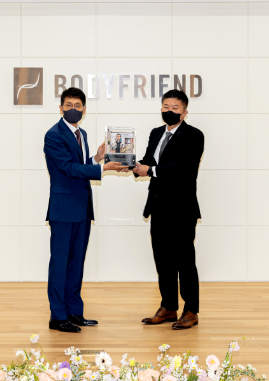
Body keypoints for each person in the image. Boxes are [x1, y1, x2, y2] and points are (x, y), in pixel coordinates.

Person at [44, 87, 124, 333]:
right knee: (60, 264)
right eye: (68, 105)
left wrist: (97, 158)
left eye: (77, 105)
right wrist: (103, 169)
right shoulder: (53, 135)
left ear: (84, 109)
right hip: (63, 208)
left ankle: (74, 312)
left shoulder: (82, 133)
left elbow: (80, 166)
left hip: (82, 207)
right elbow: (68, 168)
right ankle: (58, 316)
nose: (73, 109)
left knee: (76, 263)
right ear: (60, 108)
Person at [125, 89, 204, 330]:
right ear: (161, 108)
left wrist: (150, 171)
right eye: (166, 107)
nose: (170, 111)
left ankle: (191, 310)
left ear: (185, 112)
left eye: (175, 108)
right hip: (158, 205)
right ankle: (169, 307)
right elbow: (150, 161)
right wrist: (131, 163)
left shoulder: (194, 135)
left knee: (185, 262)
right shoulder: (156, 133)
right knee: (163, 260)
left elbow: (183, 169)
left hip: (181, 208)